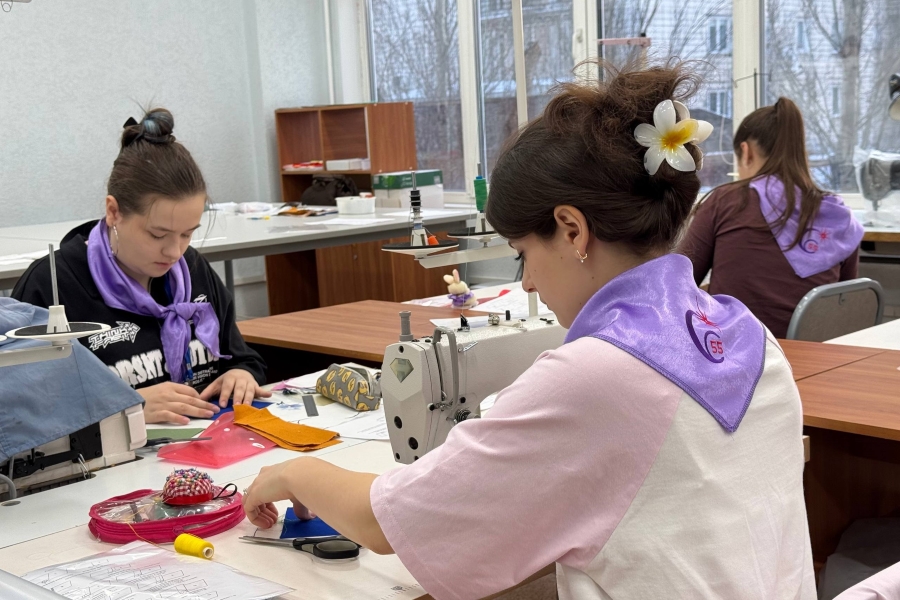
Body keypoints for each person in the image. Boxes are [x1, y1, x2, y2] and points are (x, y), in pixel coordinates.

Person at [241, 63, 815, 599]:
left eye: (522, 253)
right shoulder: (751, 337)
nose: (529, 283)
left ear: (572, 230)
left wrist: (294, 470)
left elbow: (384, 523)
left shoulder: (599, 376)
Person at [13, 109, 270, 425]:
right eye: (157, 235)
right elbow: (22, 411)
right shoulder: (51, 286)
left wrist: (241, 374)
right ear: (114, 212)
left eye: (187, 234)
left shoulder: (191, 268)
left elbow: (242, 357)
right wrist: (123, 407)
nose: (174, 252)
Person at [678, 97, 863, 338]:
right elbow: (844, 304)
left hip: (736, 354)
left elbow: (678, 283)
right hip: (815, 356)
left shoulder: (726, 201)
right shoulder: (840, 219)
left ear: (746, 152)